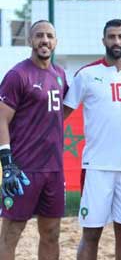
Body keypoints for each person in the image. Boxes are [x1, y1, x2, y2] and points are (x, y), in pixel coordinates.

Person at [63, 19, 121, 260]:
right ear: (104, 41)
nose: (116, 41)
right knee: (91, 235)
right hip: (97, 167)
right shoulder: (87, 74)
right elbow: (62, 115)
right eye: (111, 37)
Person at [0, 20, 68, 260]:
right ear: (30, 41)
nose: (45, 40)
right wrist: (7, 164)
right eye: (39, 35)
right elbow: (1, 120)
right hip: (23, 169)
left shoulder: (60, 75)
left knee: (51, 233)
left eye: (50, 36)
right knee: (11, 234)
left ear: (56, 41)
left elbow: (61, 113)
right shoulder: (17, 75)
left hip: (54, 170)